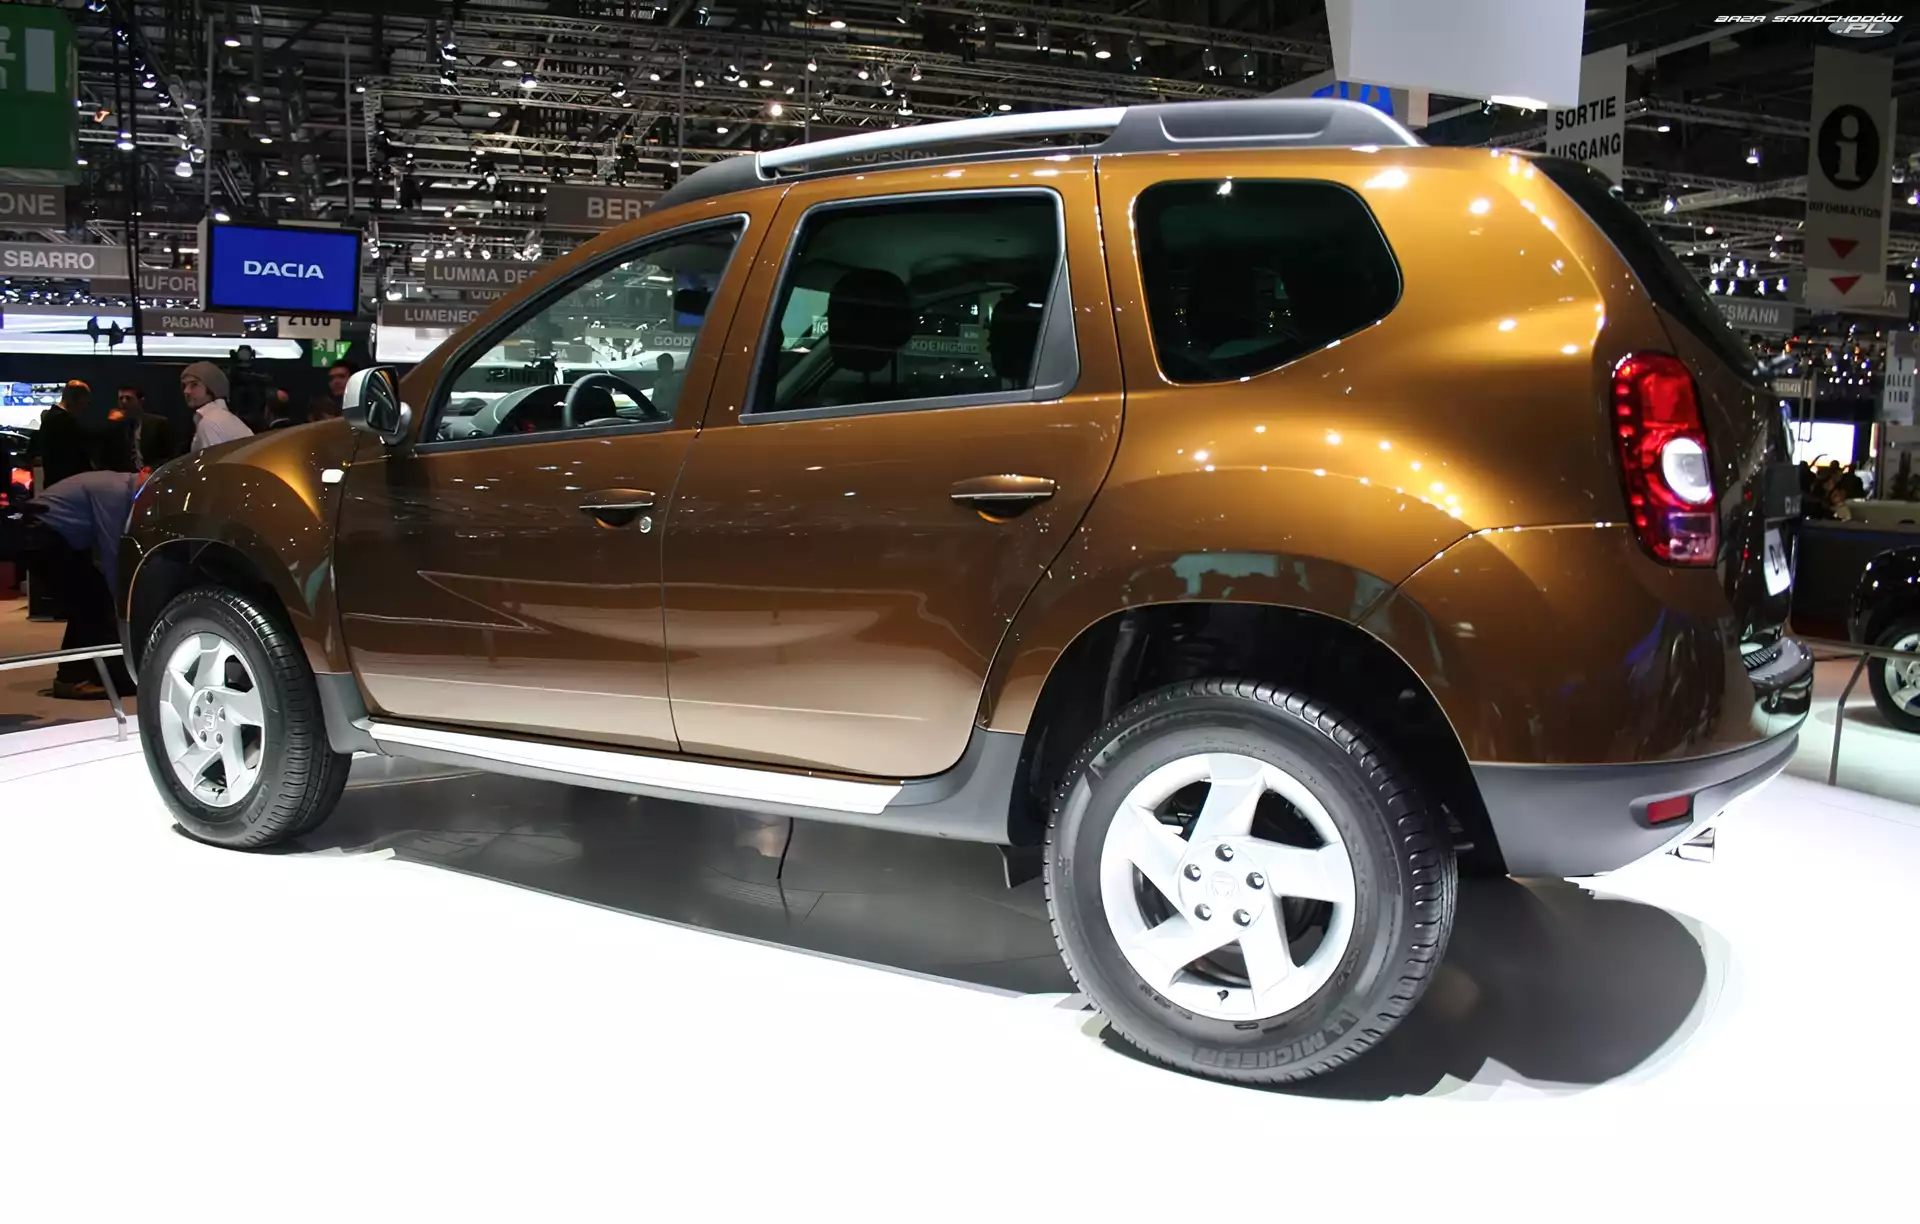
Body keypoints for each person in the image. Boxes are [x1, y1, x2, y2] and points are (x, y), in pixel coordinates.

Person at [18, 467, 146, 700]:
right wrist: (122, 605)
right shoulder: (115, 492)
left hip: (46, 533)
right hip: (42, 535)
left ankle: (82, 673)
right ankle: (71, 678)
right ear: (144, 471)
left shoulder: (121, 487)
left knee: (91, 601)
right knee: (91, 603)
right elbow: (112, 553)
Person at [29, 381, 96, 489]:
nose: (85, 408)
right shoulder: (65, 424)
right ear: (79, 400)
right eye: (85, 403)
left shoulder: (50, 420)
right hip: (67, 488)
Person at [181, 361, 253, 453]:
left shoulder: (209, 422)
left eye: (194, 385)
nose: (186, 391)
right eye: (184, 385)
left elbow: (212, 461)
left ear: (213, 387)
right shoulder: (221, 417)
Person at [118, 385, 178, 468]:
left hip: (154, 472)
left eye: (128, 398)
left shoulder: (158, 423)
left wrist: (149, 470)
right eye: (121, 398)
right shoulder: (121, 427)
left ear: (141, 401)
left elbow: (170, 457)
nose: (124, 402)